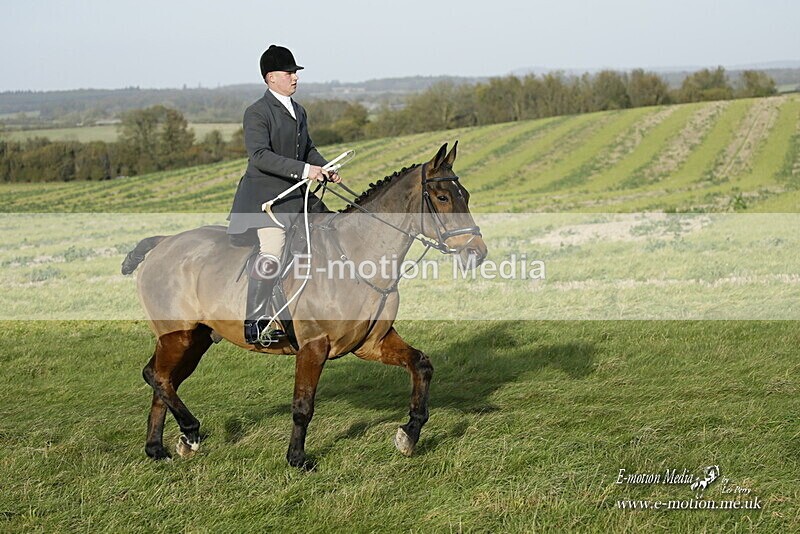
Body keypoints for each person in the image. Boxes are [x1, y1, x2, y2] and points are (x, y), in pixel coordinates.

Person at [227, 44, 340, 345]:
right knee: (274, 251)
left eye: (295, 73)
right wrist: (306, 171)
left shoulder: (298, 110)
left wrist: (324, 167)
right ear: (271, 77)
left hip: (296, 195)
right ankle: (256, 318)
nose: (295, 78)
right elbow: (260, 155)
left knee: (333, 232)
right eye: (289, 73)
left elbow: (308, 150)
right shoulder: (256, 113)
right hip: (266, 198)